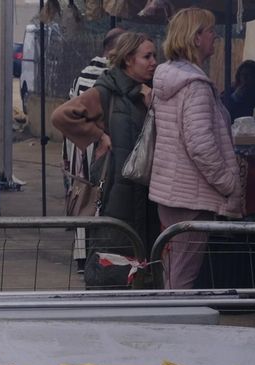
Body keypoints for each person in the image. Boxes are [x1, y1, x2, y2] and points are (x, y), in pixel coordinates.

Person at [149, 8, 243, 290]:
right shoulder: (196, 86)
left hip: (170, 191)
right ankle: (177, 330)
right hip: (191, 195)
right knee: (182, 277)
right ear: (196, 37)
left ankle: (169, 325)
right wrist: (228, 184)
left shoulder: (168, 78)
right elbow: (201, 146)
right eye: (210, 30)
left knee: (172, 271)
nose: (215, 36)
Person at [50, 31, 159, 268]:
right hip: (114, 194)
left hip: (145, 195)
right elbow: (61, 116)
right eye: (147, 56)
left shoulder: (148, 94)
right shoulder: (106, 91)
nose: (154, 62)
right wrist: (99, 135)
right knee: (115, 260)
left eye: (154, 56)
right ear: (129, 59)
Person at [62, 27, 125, 272]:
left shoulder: (83, 73)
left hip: (80, 151)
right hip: (97, 151)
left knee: (85, 200)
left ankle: (83, 255)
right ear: (114, 50)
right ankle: (95, 255)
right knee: (98, 200)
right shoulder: (104, 74)